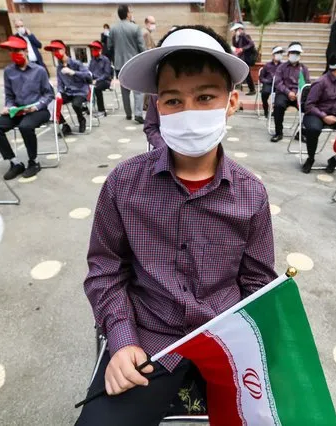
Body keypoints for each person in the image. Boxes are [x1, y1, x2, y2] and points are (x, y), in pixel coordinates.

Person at [77, 25, 276, 425]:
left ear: (231, 101)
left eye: (205, 97)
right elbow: (105, 270)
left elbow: (257, 284)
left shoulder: (251, 194)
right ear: (157, 108)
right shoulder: (123, 184)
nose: (190, 112)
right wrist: (121, 340)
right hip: (150, 339)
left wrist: (266, 349)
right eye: (173, 100)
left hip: (224, 340)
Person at [0, 36, 54, 180]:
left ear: (25, 51)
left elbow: (49, 94)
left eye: (17, 51)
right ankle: (14, 162)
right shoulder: (8, 71)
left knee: (25, 126)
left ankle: (33, 161)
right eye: (12, 51)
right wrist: (9, 106)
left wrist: (36, 107)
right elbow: (9, 94)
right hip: (17, 110)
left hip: (38, 110)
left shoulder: (39, 70)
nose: (15, 54)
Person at [109, 4, 146, 124]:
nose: (131, 13)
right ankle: (138, 114)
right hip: (133, 63)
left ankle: (128, 114)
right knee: (138, 90)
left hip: (119, 64)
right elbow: (142, 47)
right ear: (127, 14)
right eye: (130, 11)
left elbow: (109, 46)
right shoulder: (135, 28)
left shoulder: (113, 29)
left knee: (124, 90)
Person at [44, 40, 92, 134]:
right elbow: (60, 82)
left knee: (76, 104)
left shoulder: (76, 63)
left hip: (81, 91)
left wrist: (73, 72)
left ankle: (81, 120)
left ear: (63, 50)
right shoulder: (59, 67)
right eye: (53, 51)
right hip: (69, 92)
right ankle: (65, 125)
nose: (55, 53)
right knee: (52, 103)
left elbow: (88, 76)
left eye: (57, 50)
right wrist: (59, 92)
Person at [270, 42, 311, 142]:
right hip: (284, 93)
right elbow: (278, 83)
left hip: (299, 95)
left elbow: (307, 83)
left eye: (297, 53)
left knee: (309, 108)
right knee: (278, 106)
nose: (295, 55)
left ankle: (301, 133)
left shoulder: (303, 69)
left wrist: (298, 92)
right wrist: (288, 92)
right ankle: (278, 132)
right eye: (293, 53)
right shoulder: (282, 67)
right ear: (288, 54)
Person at [230, 22, 257, 95]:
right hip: (240, 57)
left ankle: (252, 89)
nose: (237, 31)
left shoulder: (245, 36)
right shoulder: (234, 37)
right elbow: (235, 46)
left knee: (247, 73)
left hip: (247, 57)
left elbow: (251, 44)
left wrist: (242, 49)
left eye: (239, 29)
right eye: (236, 30)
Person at [88, 40, 113, 117]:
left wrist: (97, 80)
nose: (93, 51)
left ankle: (102, 111)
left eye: (95, 49)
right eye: (92, 50)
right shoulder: (92, 60)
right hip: (94, 80)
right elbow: (89, 71)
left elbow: (106, 74)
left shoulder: (105, 60)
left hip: (105, 81)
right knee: (82, 86)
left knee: (96, 88)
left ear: (100, 50)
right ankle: (85, 108)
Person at [259, 45, 284, 119]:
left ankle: (275, 111)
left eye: (280, 53)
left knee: (280, 97)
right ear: (273, 55)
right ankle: (266, 111)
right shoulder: (267, 65)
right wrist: (268, 81)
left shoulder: (283, 66)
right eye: (277, 53)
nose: (279, 55)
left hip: (279, 85)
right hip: (268, 84)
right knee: (264, 93)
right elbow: (261, 78)